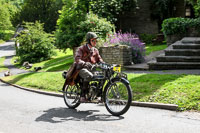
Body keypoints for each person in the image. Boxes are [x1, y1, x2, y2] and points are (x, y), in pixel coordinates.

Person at [75, 32, 104, 102]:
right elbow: (77, 59)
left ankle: (98, 95)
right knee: (89, 75)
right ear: (88, 41)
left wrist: (104, 64)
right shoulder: (81, 49)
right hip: (82, 69)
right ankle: (83, 95)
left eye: (96, 40)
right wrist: (84, 63)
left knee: (103, 76)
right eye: (93, 40)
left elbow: (99, 59)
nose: (95, 42)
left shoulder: (95, 50)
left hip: (92, 69)